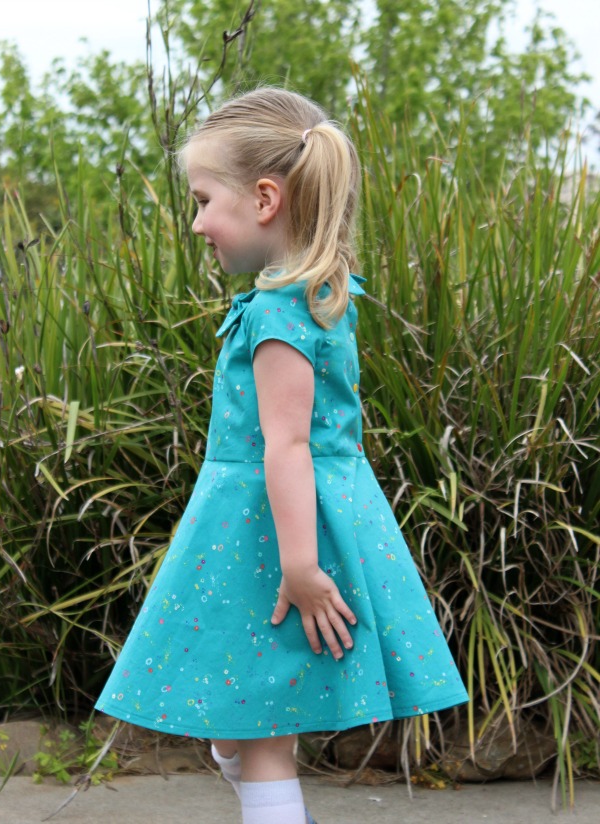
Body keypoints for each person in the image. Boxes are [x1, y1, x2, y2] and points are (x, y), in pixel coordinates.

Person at [95, 87, 469, 824]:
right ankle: (244, 766)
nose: (197, 223)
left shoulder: (276, 314)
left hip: (268, 535)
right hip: (293, 519)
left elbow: (288, 443)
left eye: (204, 201)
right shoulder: (319, 295)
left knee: (263, 734)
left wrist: (300, 567)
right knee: (246, 723)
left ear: (265, 199)